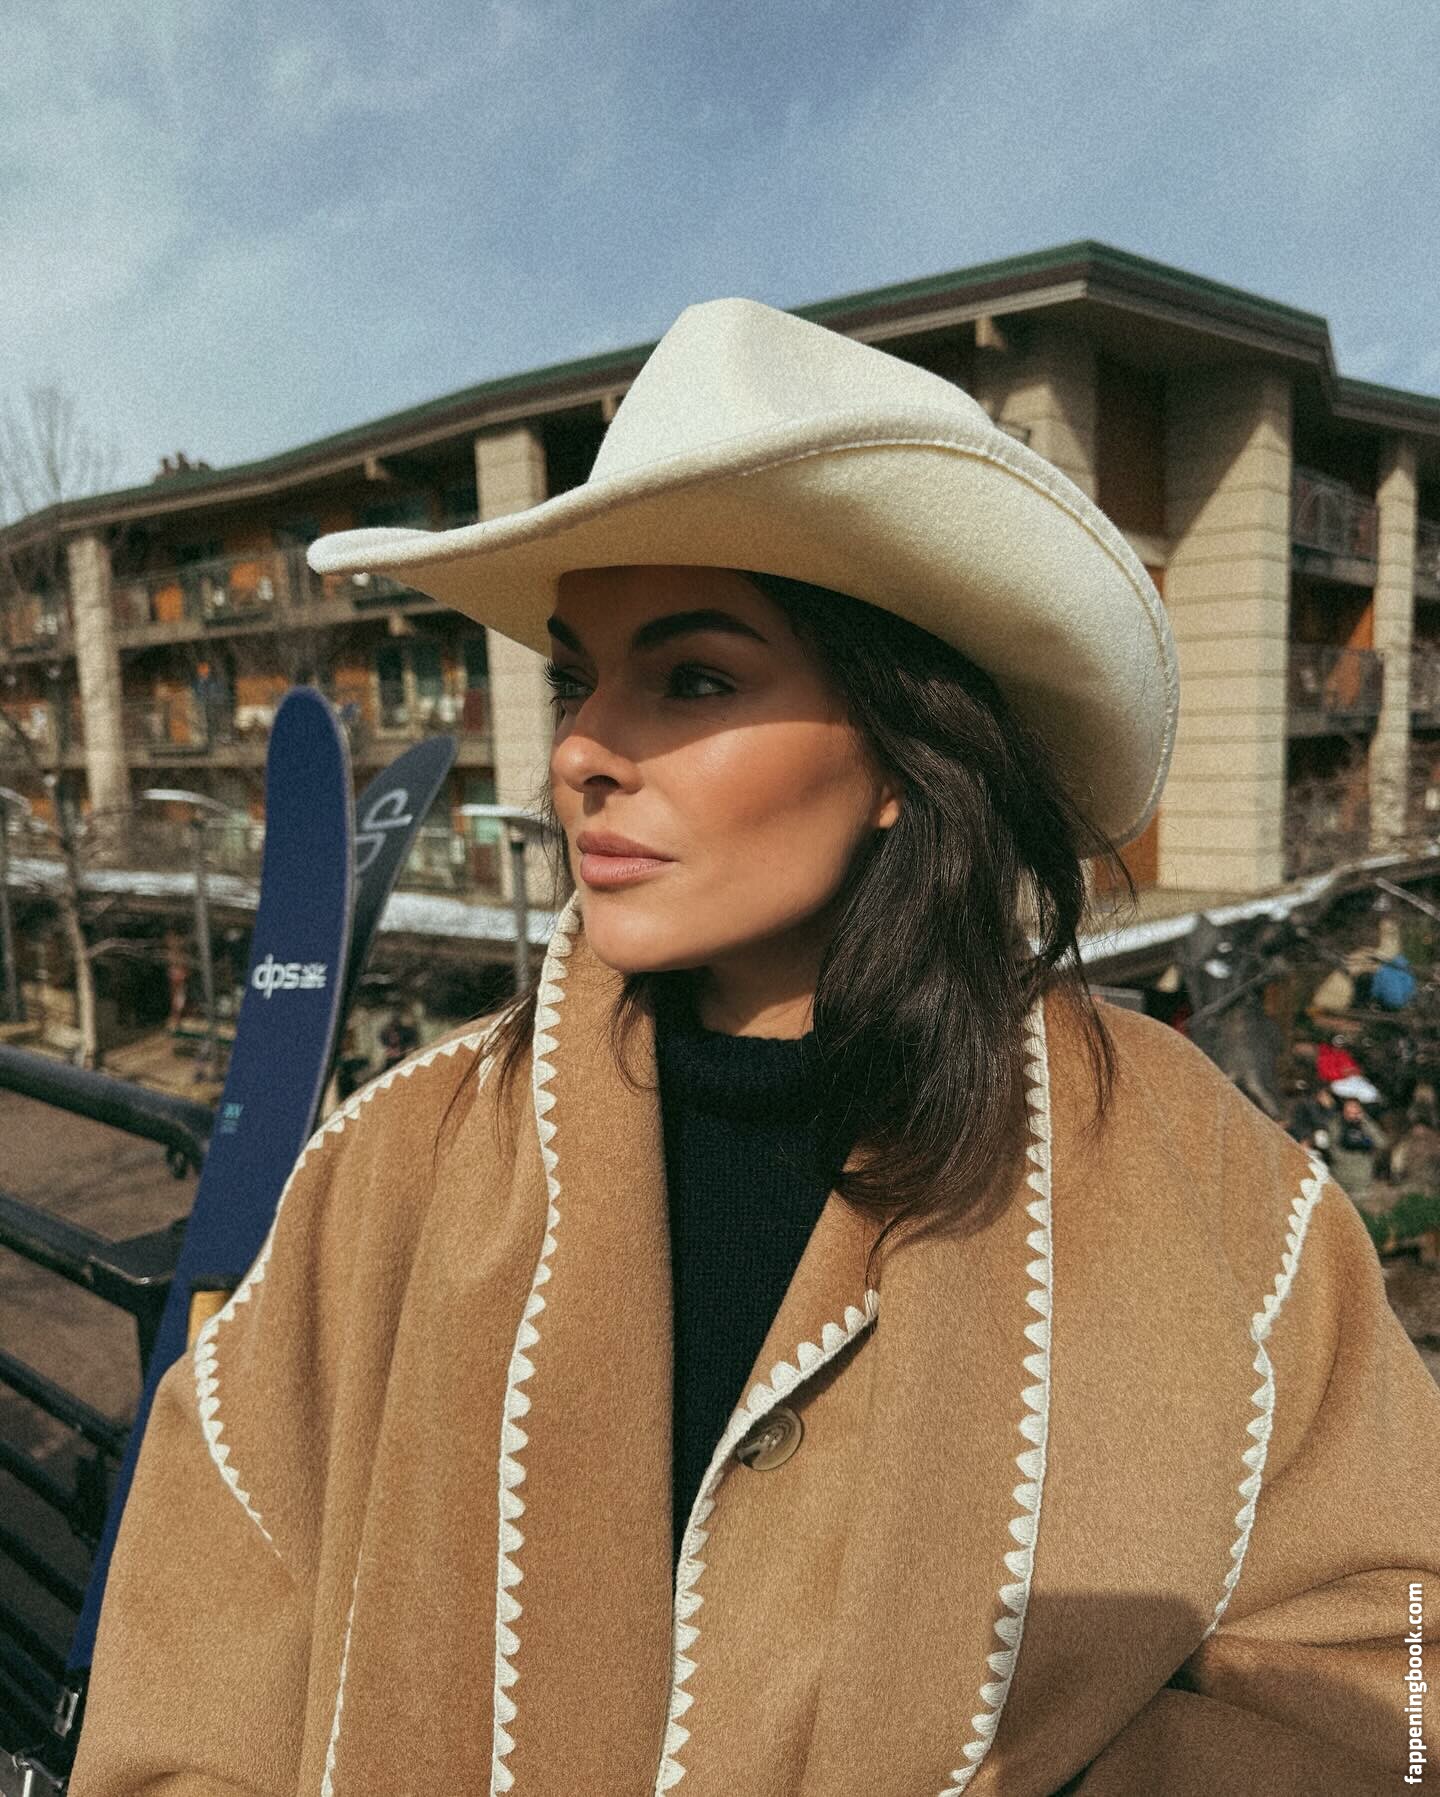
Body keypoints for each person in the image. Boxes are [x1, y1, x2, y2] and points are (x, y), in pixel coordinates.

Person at [71, 300, 1440, 1795]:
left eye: (696, 678)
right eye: (581, 676)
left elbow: (1394, 1670)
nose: (579, 750)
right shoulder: (392, 1166)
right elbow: (188, 1671)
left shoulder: (1210, 1186)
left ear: (905, 752)